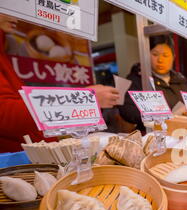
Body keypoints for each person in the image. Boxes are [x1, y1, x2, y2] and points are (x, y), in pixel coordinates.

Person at [0, 14, 120, 152]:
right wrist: (85, 99)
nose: (16, 16)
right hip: (14, 160)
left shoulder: (3, 51)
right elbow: (5, 114)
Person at [119, 35, 187, 132]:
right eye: (155, 54)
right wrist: (153, 116)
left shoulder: (181, 81)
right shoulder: (137, 79)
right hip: (150, 135)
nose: (160, 60)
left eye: (165, 55)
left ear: (173, 57)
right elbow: (126, 110)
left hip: (180, 134)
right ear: (147, 55)